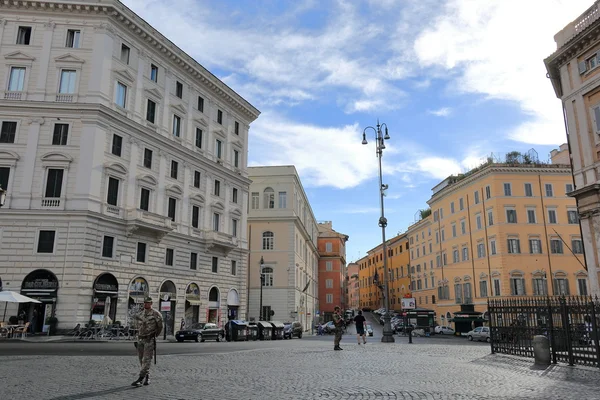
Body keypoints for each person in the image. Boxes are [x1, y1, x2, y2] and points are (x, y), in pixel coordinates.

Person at [131, 297, 163, 387]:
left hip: (149, 339)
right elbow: (137, 325)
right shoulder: (141, 314)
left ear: (151, 303)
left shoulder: (156, 314)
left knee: (147, 359)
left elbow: (160, 326)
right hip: (140, 339)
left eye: (147, 303)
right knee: (141, 359)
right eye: (144, 302)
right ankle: (147, 376)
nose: (145, 304)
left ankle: (140, 379)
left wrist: (154, 335)